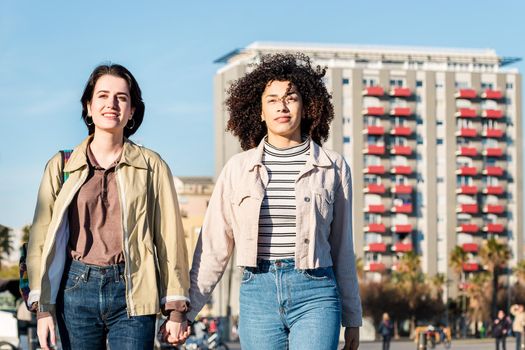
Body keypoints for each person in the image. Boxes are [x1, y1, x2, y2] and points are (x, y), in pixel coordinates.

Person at [173, 53, 362, 350]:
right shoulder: (238, 169)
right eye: (272, 100)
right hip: (256, 292)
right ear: (259, 111)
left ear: (307, 106)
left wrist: (353, 317)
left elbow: (342, 247)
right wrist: (186, 311)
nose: (282, 106)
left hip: (316, 292)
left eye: (291, 98)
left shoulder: (333, 167)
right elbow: (213, 248)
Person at [26, 64, 190, 350]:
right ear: (88, 107)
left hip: (134, 289)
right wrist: (43, 309)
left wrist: (176, 309)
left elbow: (169, 238)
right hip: (74, 289)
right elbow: (40, 240)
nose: (111, 104)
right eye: (102, 96)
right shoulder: (61, 165)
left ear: (132, 111)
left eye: (121, 97)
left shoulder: (151, 166)